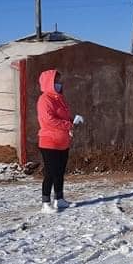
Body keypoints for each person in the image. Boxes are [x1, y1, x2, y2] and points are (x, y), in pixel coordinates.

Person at [36, 69, 84, 214]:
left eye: (59, 81)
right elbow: (48, 120)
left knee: (60, 172)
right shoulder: (44, 99)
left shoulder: (60, 99)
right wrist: (68, 125)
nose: (59, 83)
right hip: (49, 142)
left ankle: (59, 199)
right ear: (49, 82)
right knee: (50, 172)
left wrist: (73, 120)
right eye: (56, 81)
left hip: (63, 141)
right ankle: (45, 203)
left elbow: (63, 118)